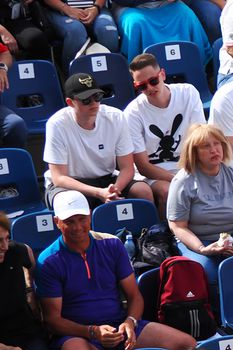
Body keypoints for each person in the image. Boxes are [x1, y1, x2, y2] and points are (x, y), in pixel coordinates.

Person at [37, 191, 196, 350]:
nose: (77, 227)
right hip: (78, 334)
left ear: (90, 216)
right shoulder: (48, 260)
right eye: (69, 222)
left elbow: (134, 296)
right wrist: (92, 331)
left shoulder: (112, 244)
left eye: (82, 219)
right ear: (57, 222)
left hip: (119, 325)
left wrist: (130, 321)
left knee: (186, 346)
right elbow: (52, 320)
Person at [166, 124, 233, 295]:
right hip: (198, 241)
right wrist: (202, 249)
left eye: (217, 144)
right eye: (206, 146)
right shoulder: (183, 181)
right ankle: (217, 317)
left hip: (232, 238)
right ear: (194, 152)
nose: (214, 150)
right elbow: (178, 226)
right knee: (207, 270)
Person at [43, 73, 153, 209]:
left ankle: (152, 230)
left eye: (97, 97)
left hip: (108, 179)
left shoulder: (116, 117)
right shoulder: (57, 124)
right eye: (86, 100)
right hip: (71, 184)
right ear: (70, 102)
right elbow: (59, 178)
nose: (94, 104)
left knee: (143, 191)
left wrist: (114, 190)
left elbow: (127, 168)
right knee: (72, 202)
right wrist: (99, 193)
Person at [123, 52, 205, 214]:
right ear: (135, 86)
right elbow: (143, 166)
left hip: (188, 165)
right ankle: (166, 235)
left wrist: (194, 173)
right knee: (169, 192)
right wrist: (178, 178)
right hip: (154, 174)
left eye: (153, 81)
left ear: (163, 74)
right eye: (142, 86)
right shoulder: (132, 112)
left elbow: (200, 138)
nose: (150, 88)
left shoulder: (188, 93)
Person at [0, 213, 50, 350]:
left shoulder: (18, 252)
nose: (5, 246)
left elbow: (38, 278)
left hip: (25, 333)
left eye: (7, 238)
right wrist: (3, 349)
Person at [43, 0, 120, 71]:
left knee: (107, 32)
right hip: (60, 10)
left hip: (96, 8)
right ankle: (70, 76)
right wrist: (66, 9)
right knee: (76, 31)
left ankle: (109, 73)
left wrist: (96, 8)